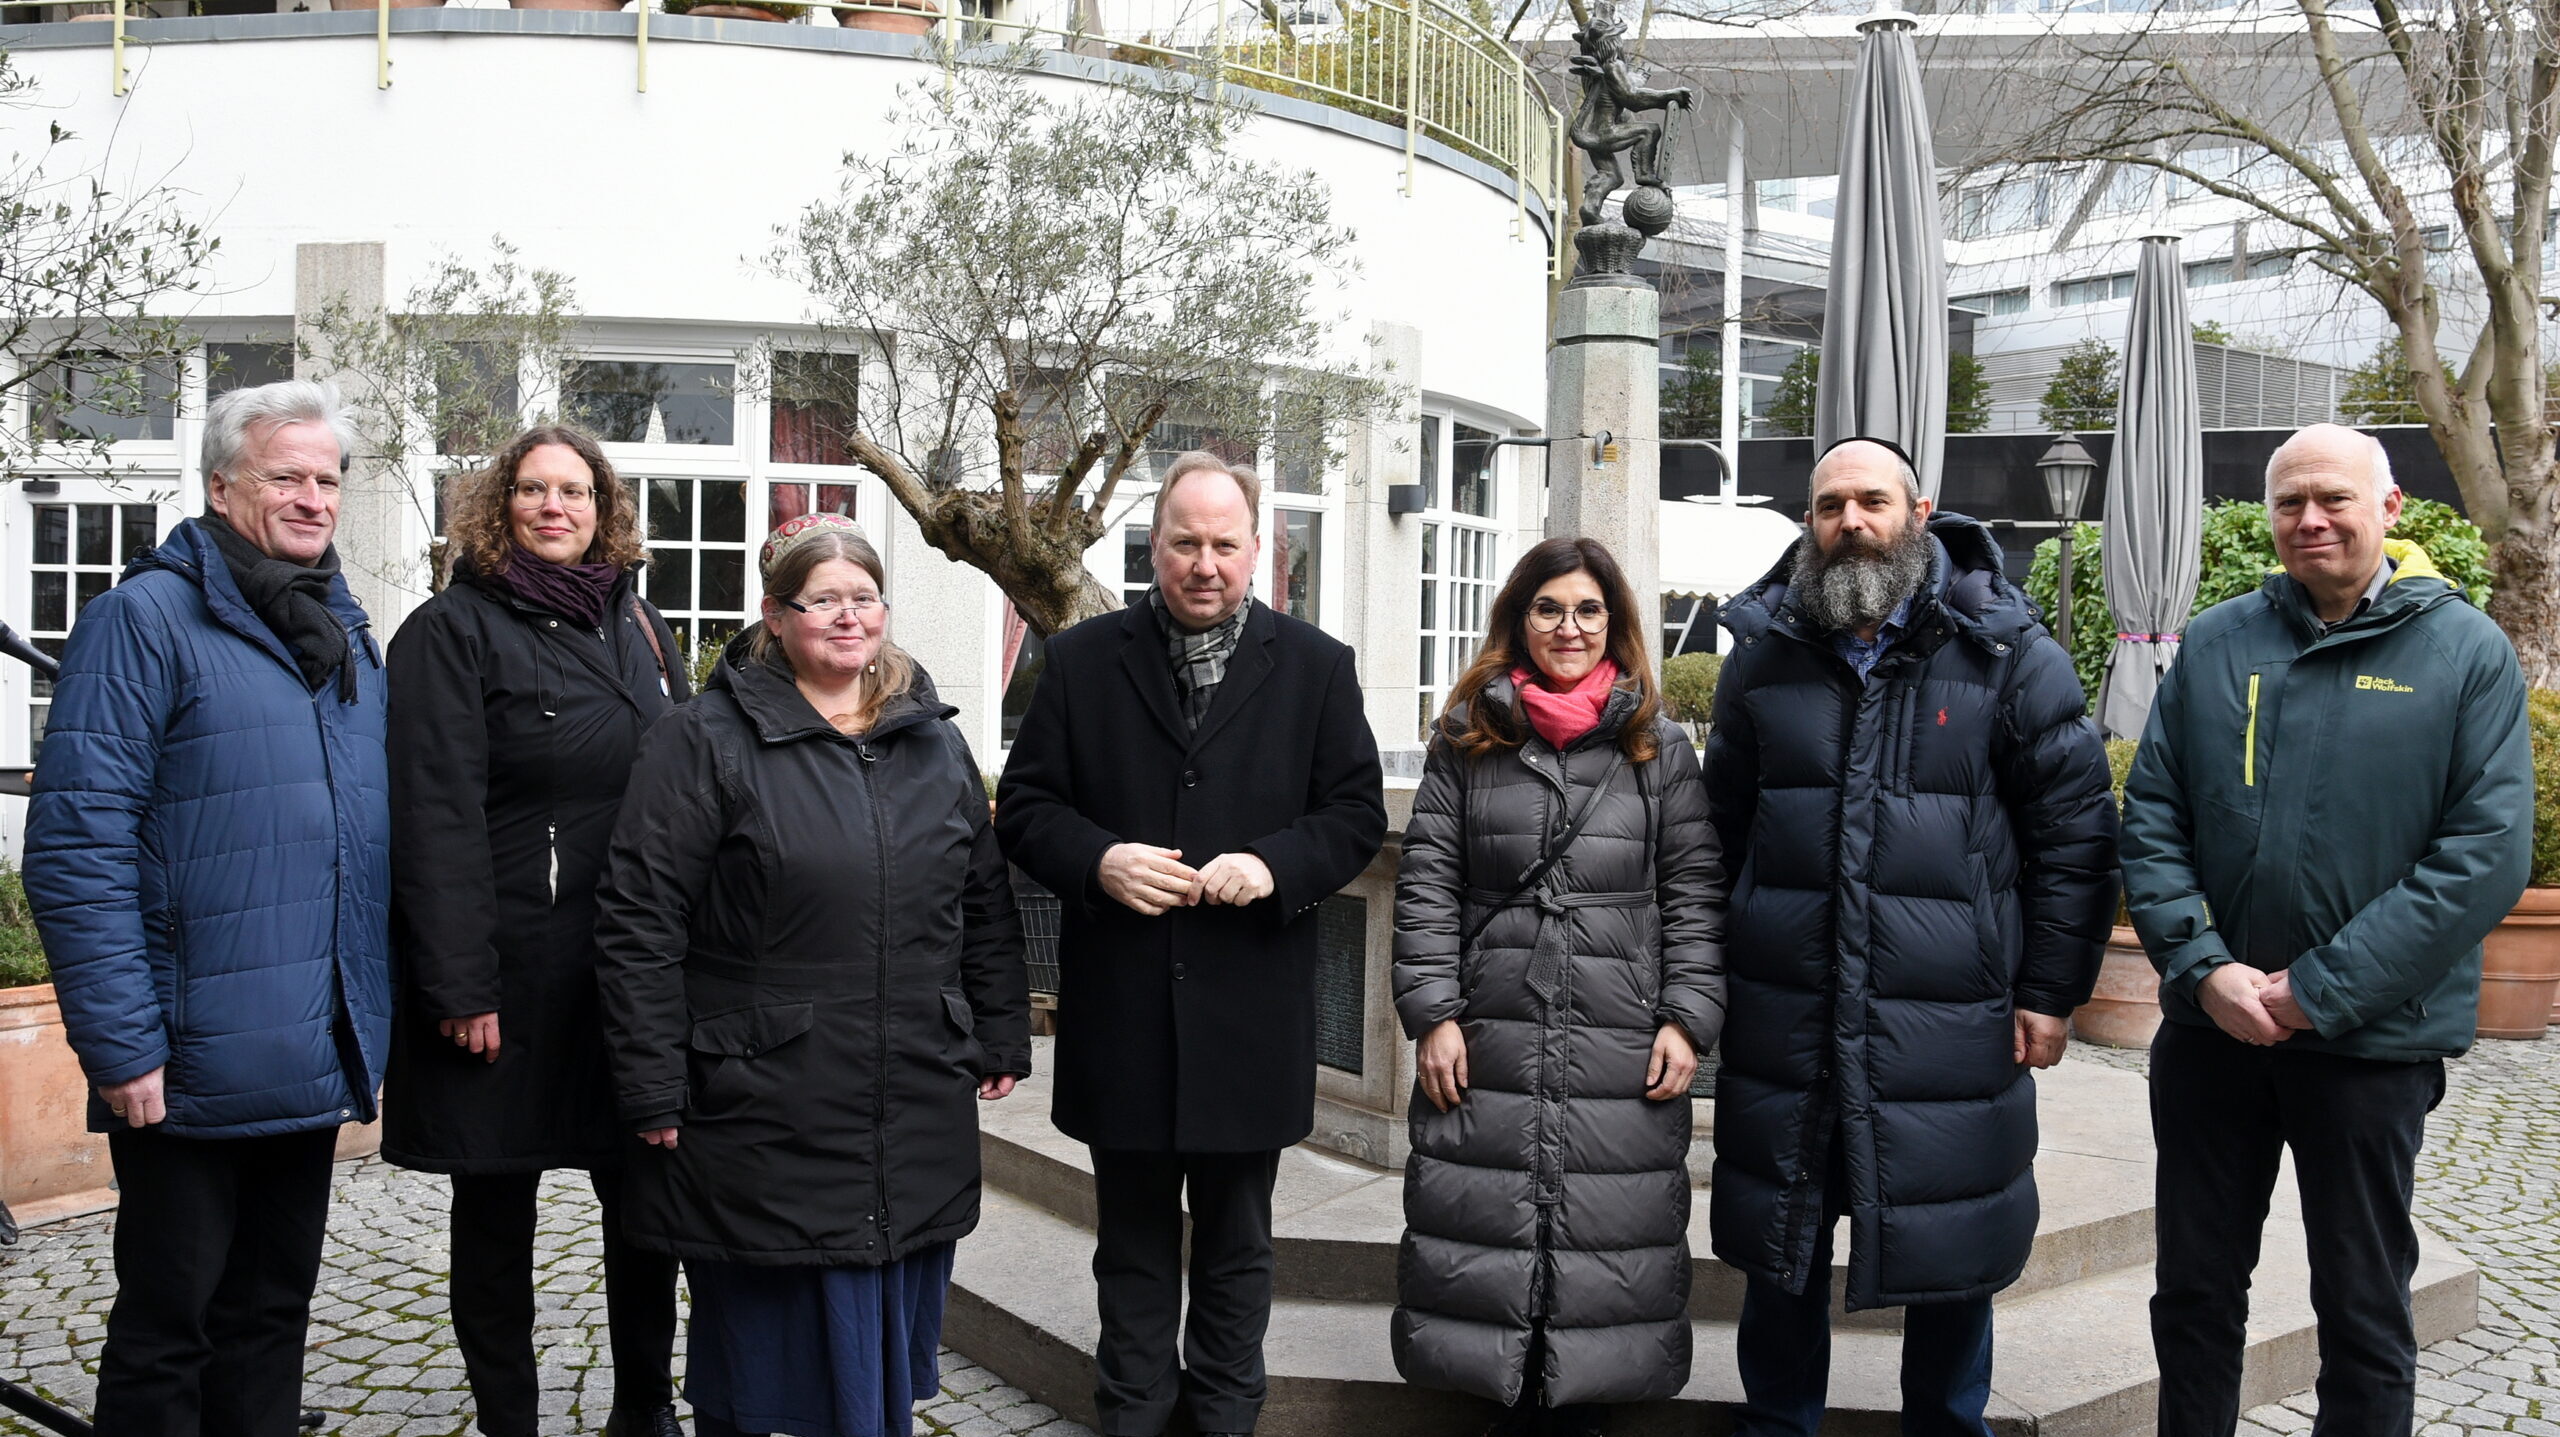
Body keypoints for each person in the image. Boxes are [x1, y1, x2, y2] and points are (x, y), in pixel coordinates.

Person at [1702, 437, 2117, 1437]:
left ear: (1918, 512)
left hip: (1945, 1019)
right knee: (1782, 1252)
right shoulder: (1760, 660)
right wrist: (1706, 990)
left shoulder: (2010, 656)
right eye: (1830, 504)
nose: (1851, 521)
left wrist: (2049, 993)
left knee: (1950, 1252)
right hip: (1788, 1016)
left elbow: (2075, 843)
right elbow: (1716, 841)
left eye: (1871, 502)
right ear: (1808, 521)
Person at [2122, 424, 2531, 1437]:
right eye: (2289, 502)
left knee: (2362, 1309)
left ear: (2387, 511)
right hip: (2212, 1038)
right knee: (2193, 1297)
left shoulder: (2464, 653)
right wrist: (2204, 968)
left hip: (2368, 1048)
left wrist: (2318, 992)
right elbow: (2153, 817)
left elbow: (2482, 856)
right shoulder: (2217, 641)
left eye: (2334, 499)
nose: (2310, 520)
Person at [595, 513, 1030, 1437]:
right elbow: (640, 919)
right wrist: (650, 1083)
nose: (847, 617)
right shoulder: (704, 738)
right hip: (763, 1104)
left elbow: (983, 898)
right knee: (760, 1366)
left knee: (875, 1361)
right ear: (775, 615)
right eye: (822, 599)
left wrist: (997, 1028)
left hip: (908, 1087)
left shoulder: (934, 740)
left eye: (863, 598)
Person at [22, 379, 393, 1437]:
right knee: (169, 1327)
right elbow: (76, 843)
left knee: (273, 1315)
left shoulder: (338, 632)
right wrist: (120, 1043)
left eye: (328, 477)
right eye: (289, 475)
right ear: (223, 484)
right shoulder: (142, 620)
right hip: (186, 1058)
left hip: (308, 1050)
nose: (314, 497)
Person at [995, 452, 1386, 1437]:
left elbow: (1352, 816)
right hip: (1123, 1020)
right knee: (1128, 1257)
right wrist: (1100, 862)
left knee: (1236, 1256)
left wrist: (1276, 867)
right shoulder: (1081, 661)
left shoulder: (1316, 667)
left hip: (1248, 1020)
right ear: (1153, 546)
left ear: (1259, 551)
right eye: (1184, 543)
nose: (1203, 564)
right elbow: (1026, 808)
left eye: (1223, 544)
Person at [381, 427, 687, 1437]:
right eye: (531, 489)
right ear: (497, 503)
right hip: (504, 973)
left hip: (625, 973)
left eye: (575, 490)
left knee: (643, 1205)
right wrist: (459, 985)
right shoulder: (448, 631)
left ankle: (644, 1409)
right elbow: (435, 817)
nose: (554, 507)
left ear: (604, 509)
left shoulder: (639, 628)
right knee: (496, 1210)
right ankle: (508, 1418)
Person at [1389, 536, 1727, 1436]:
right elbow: (1426, 883)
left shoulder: (1658, 746)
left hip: (1619, 1038)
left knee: (1604, 1247)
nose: (1567, 627)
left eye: (1587, 609)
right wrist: (1433, 1014)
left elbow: (1695, 890)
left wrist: (1688, 1019)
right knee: (1486, 1237)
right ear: (1519, 618)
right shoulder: (1468, 738)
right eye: (1548, 608)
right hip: (1491, 1028)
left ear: (1613, 622)